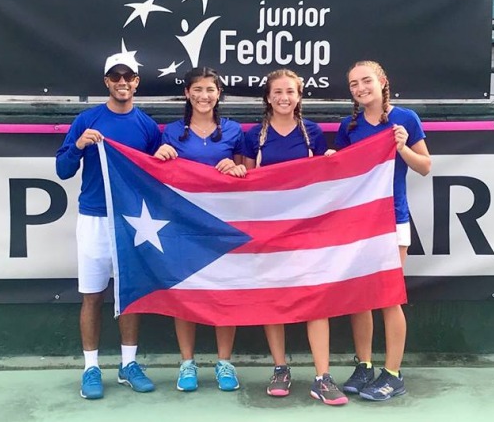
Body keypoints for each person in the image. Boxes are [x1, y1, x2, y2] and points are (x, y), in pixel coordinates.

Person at [55, 52, 162, 400]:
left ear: (136, 83)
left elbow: (158, 173)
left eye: (127, 77)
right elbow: (63, 169)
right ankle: (91, 367)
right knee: (92, 295)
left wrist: (164, 157)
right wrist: (79, 146)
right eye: (115, 77)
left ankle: (128, 365)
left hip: (132, 221)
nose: (122, 83)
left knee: (129, 295)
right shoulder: (87, 120)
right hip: (94, 219)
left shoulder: (146, 125)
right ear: (106, 82)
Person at [242, 68, 348, 406]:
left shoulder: (312, 133)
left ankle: (322, 376)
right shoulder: (253, 135)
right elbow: (244, 181)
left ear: (299, 96)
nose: (284, 97)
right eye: (277, 92)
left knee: (316, 299)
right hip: (267, 230)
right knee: (274, 298)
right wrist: (234, 170)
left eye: (290, 91)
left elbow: (322, 178)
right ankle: (280, 367)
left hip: (307, 230)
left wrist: (331, 161)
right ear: (268, 97)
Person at [335, 60, 431, 402]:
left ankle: (393, 373)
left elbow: (425, 167)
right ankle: (365, 366)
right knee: (360, 297)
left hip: (393, 219)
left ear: (382, 82)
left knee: (388, 297)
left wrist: (402, 147)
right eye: (354, 84)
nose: (360, 88)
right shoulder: (349, 126)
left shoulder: (406, 119)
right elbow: (343, 173)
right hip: (358, 223)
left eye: (366, 81)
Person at [153, 67, 246, 392]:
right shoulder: (171, 132)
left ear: (219, 94)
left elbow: (248, 175)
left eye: (210, 89)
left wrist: (236, 168)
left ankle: (224, 363)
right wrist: (158, 157)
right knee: (186, 294)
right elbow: (158, 177)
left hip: (222, 226)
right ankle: (187, 363)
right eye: (198, 89)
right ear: (187, 94)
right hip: (183, 227)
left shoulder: (234, 131)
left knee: (225, 293)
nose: (204, 96)